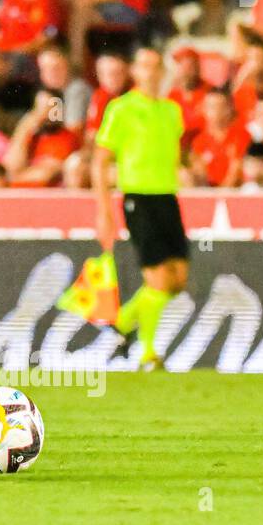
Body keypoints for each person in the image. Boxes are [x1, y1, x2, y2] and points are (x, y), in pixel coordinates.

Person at [92, 47, 189, 370]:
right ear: (135, 71)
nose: (151, 72)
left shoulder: (172, 111)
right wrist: (104, 209)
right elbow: (100, 160)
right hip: (138, 197)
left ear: (162, 72)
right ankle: (147, 352)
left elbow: (173, 154)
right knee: (159, 279)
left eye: (156, 66)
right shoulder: (121, 109)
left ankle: (121, 322)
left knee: (177, 279)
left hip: (167, 197)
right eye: (144, 66)